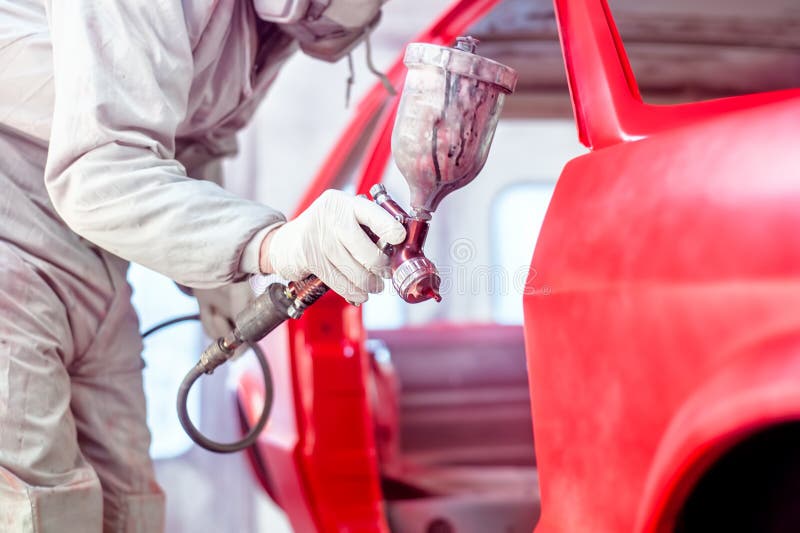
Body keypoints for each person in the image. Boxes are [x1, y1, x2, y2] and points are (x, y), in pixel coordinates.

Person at [0, 1, 405, 531]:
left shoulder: (265, 29)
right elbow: (100, 172)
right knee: (40, 509)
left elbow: (189, 140)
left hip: (95, 259)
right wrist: (265, 242)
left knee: (131, 508)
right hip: (15, 233)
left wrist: (213, 276)